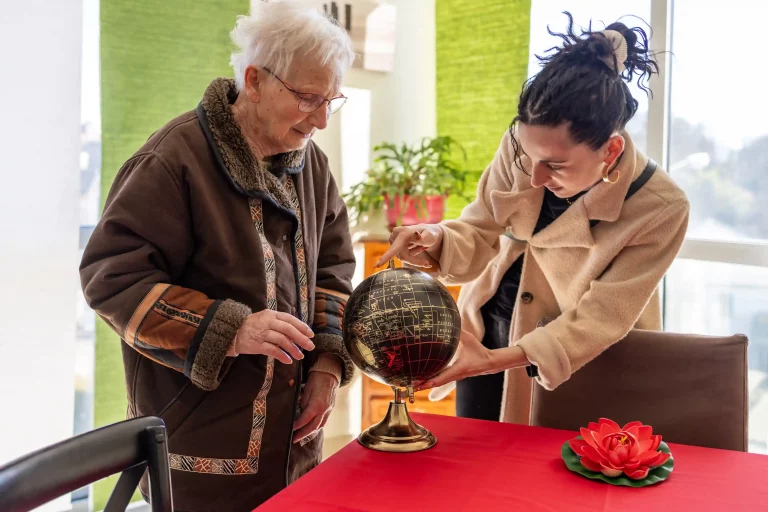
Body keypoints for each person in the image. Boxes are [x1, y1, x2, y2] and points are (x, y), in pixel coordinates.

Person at [80, 3, 356, 510]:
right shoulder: (171, 160)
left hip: (292, 443)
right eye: (307, 98)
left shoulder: (310, 162)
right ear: (254, 80)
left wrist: (327, 368)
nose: (320, 119)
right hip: (198, 440)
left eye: (330, 101)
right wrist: (232, 330)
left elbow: (335, 265)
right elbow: (112, 282)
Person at [379, 13, 689, 425]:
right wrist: (433, 237)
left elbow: (601, 318)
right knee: (477, 469)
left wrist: (497, 360)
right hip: (485, 332)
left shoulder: (660, 207)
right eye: (529, 157)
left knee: (556, 479)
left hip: (572, 357)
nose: (537, 177)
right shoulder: (521, 148)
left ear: (611, 151)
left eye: (556, 166)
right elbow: (480, 225)